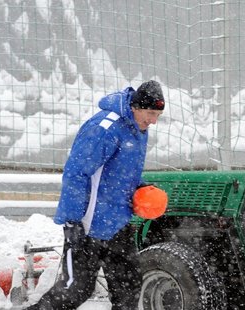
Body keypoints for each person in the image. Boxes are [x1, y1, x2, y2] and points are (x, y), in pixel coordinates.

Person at [26, 80, 165, 310]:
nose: (153, 121)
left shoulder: (139, 129)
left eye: (158, 115)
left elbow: (118, 172)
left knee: (128, 287)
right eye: (150, 113)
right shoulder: (105, 127)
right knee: (75, 289)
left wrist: (140, 187)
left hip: (118, 222)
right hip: (88, 225)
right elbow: (76, 173)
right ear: (135, 106)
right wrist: (72, 221)